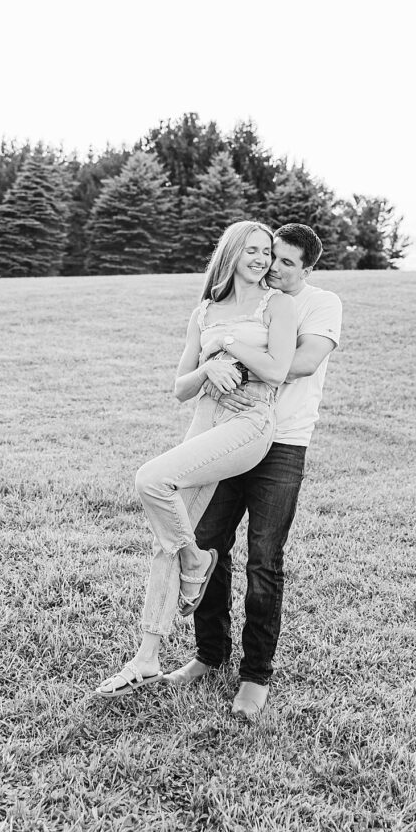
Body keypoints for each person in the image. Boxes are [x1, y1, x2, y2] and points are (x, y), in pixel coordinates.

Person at [95, 220, 297, 697]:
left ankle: (194, 561)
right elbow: (180, 389)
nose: (261, 259)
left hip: (248, 421)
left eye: (266, 252)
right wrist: (207, 365)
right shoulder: (204, 311)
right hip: (204, 417)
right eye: (251, 250)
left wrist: (227, 344)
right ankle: (146, 655)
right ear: (230, 254)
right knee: (167, 534)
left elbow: (277, 369)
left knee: (152, 480)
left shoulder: (278, 305)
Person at [163, 223, 343, 719]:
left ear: (307, 267)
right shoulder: (248, 303)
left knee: (265, 558)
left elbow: (300, 363)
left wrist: (233, 352)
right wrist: (215, 354)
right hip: (228, 434)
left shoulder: (319, 304)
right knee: (208, 542)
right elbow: (194, 365)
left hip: (283, 441)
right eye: (269, 256)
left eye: (286, 261)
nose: (273, 267)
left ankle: (255, 676)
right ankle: (208, 653)